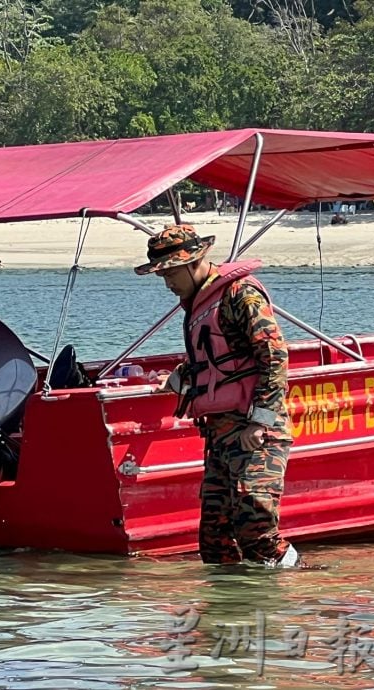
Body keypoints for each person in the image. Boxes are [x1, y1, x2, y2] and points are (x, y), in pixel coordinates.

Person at [135, 224, 298, 567]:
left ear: (195, 263)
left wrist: (260, 421)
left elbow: (275, 356)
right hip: (220, 434)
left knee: (256, 527)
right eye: (161, 275)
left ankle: (299, 590)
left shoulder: (241, 295)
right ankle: (225, 615)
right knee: (215, 539)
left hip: (254, 430)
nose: (167, 283)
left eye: (171, 273)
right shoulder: (198, 304)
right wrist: (182, 376)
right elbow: (218, 359)